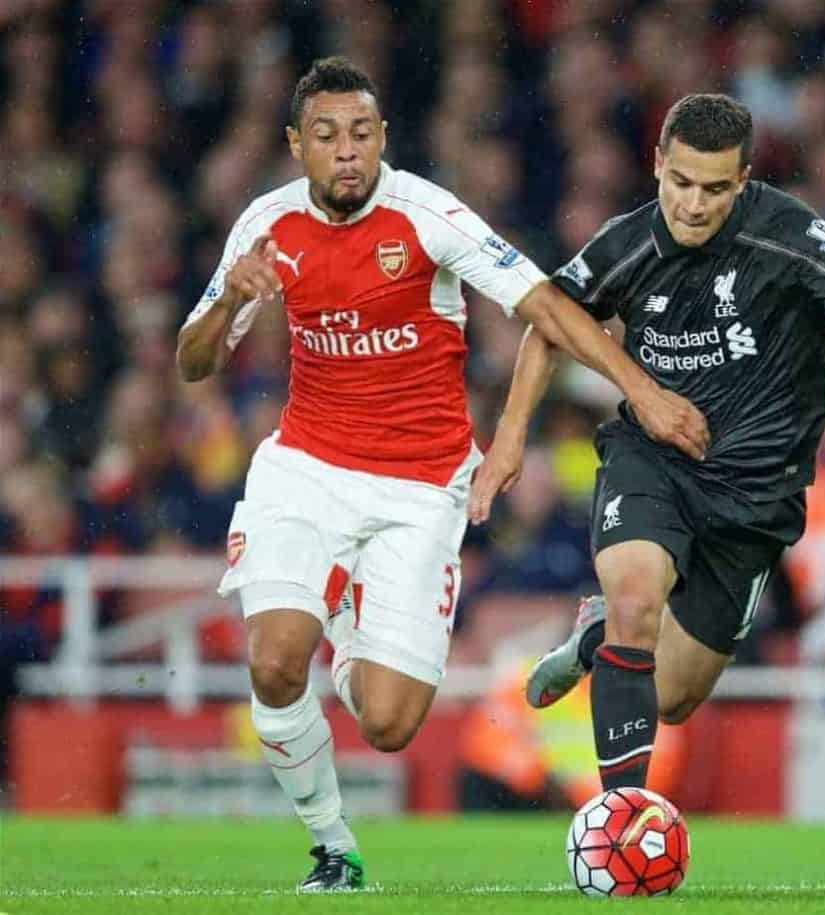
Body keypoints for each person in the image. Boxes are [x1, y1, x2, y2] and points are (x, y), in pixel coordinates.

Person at [176, 57, 708, 893]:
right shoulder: (265, 227)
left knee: (388, 722)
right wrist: (222, 304)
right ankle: (333, 846)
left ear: (382, 137)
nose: (345, 152)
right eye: (325, 137)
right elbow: (193, 363)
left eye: (360, 133)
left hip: (421, 488)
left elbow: (544, 306)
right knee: (277, 659)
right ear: (296, 145)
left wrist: (643, 391)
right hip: (305, 467)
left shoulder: (428, 215)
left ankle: (350, 614)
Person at [469, 93, 825, 792]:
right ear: (657, 165)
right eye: (679, 182)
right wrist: (508, 442)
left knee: (673, 696)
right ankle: (622, 816)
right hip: (655, 461)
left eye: (715, 188)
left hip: (755, 495)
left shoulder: (786, 234)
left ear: (743, 181)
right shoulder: (629, 242)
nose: (692, 204)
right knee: (637, 602)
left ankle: (594, 635)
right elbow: (548, 322)